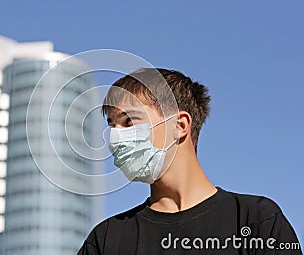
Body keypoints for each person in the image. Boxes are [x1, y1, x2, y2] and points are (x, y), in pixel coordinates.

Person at [77, 68, 302, 254]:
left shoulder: (256, 221)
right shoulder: (106, 239)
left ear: (180, 125)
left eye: (128, 121)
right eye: (111, 125)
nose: (116, 136)